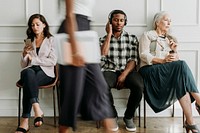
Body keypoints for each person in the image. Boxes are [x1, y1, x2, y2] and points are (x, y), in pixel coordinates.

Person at [58, 0, 116, 133]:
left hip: (85, 32)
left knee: (100, 87)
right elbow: (69, 15)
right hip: (72, 34)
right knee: (72, 94)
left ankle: (110, 129)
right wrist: (75, 50)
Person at [139, 11, 200, 133]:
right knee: (181, 64)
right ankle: (198, 100)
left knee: (181, 83)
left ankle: (190, 122)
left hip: (167, 73)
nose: (169, 23)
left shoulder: (171, 39)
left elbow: (174, 61)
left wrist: (174, 51)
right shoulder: (147, 35)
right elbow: (143, 54)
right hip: (150, 71)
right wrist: (162, 60)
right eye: (166, 20)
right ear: (157, 22)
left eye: (170, 21)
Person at [99, 10, 144, 132]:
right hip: (110, 70)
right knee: (102, 84)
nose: (118, 23)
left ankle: (128, 116)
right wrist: (109, 35)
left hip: (128, 71)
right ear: (110, 22)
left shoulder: (132, 38)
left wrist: (124, 74)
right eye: (115, 20)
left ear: (125, 22)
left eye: (121, 20)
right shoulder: (103, 39)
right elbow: (102, 55)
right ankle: (112, 115)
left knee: (139, 86)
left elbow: (134, 60)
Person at [15, 14, 57, 133]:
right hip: (31, 71)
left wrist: (33, 60)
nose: (35, 27)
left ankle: (24, 122)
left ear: (44, 25)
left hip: (46, 73)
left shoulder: (51, 40)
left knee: (28, 78)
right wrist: (24, 55)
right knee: (28, 73)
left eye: (37, 24)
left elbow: (52, 61)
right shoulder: (30, 40)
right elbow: (24, 65)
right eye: (32, 25)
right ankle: (37, 108)